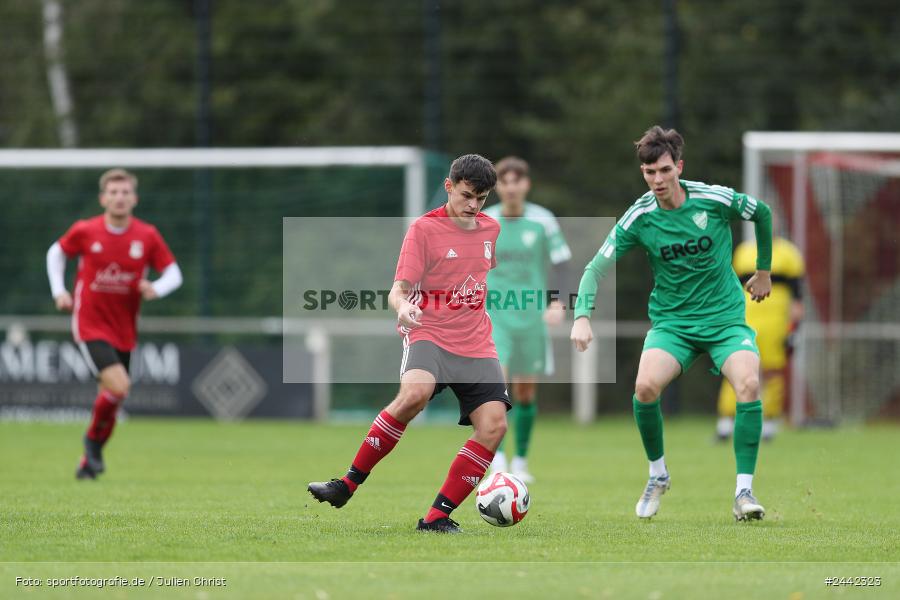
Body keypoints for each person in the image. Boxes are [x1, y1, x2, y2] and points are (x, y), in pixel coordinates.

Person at [570, 126, 773, 521]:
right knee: (645, 388)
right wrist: (581, 315)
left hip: (725, 320)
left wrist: (763, 271)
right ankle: (657, 474)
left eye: (664, 170)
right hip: (673, 324)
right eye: (649, 172)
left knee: (748, 384)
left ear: (679, 166)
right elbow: (596, 267)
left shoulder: (712, 199)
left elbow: (761, 213)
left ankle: (744, 492)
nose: (657, 180)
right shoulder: (641, 215)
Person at [308, 154, 510, 534]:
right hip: (428, 331)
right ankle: (346, 484)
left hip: (476, 341)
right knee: (415, 395)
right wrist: (402, 309)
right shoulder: (423, 230)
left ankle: (436, 518)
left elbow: (475, 279)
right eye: (467, 195)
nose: (473, 206)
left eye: (481, 199)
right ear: (449, 187)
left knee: (494, 426)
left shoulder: (490, 229)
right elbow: (398, 290)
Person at [47, 169, 183, 480]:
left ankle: (87, 464)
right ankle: (92, 445)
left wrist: (156, 288)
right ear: (103, 198)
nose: (119, 197)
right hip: (90, 323)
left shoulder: (146, 235)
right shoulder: (86, 230)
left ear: (134, 198)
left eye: (125, 192)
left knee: (114, 396)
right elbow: (56, 252)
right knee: (120, 385)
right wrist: (59, 291)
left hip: (123, 329)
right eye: (113, 192)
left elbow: (175, 273)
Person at [483, 156, 571, 482]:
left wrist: (558, 303)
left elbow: (562, 265)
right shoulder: (485, 221)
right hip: (496, 318)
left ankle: (520, 460)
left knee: (524, 394)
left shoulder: (543, 221)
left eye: (516, 181)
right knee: (497, 390)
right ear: (497, 187)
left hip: (532, 318)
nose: (510, 188)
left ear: (526, 185)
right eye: (503, 182)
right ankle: (498, 460)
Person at [717, 229, 804, 441]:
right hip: (746, 321)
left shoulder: (790, 254)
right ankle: (727, 421)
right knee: (735, 367)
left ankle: (769, 421)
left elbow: (798, 297)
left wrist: (794, 328)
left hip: (776, 323)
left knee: (773, 371)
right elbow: (731, 288)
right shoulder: (743, 252)